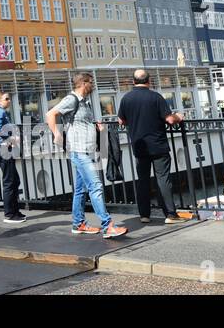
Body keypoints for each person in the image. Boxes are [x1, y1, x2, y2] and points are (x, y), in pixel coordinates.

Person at [47, 73, 127, 238]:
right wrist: (56, 133)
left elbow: (80, 122)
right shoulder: (72, 99)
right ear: (84, 84)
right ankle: (107, 226)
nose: (93, 85)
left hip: (85, 150)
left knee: (80, 190)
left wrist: (97, 129)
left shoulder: (85, 103)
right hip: (78, 151)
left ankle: (78, 224)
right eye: (91, 82)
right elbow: (50, 114)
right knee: (95, 186)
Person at [117, 69, 187, 224]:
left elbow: (121, 121)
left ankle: (144, 215)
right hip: (158, 145)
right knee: (163, 179)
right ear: (149, 81)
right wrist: (179, 116)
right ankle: (170, 214)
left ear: (133, 81)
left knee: (142, 180)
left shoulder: (126, 98)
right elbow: (169, 120)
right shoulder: (156, 97)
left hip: (139, 145)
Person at [0, 91, 26, 223]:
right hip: (2, 147)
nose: (9, 101)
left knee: (14, 180)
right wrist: (12, 138)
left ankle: (14, 211)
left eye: (9, 99)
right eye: (6, 99)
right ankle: (10, 214)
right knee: (10, 181)